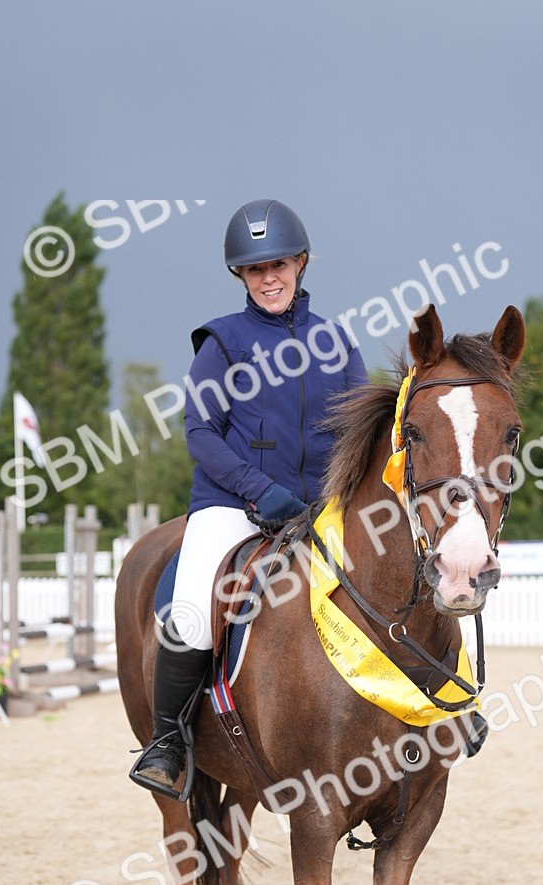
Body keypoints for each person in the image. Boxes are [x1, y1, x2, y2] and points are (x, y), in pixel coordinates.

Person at [130, 199, 369, 796]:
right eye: (256, 269)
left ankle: (444, 698)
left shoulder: (337, 343)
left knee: (397, 570)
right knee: (192, 608)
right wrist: (259, 489)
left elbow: (362, 434)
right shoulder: (223, 342)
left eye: (278, 265)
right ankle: (168, 742)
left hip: (321, 509)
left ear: (301, 263)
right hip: (233, 507)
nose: (268, 278)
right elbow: (200, 434)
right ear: (240, 274)